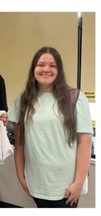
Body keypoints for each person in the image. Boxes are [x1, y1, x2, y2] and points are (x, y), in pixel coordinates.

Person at [10, 47, 92, 208]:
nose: (46, 69)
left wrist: (78, 184)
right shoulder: (23, 100)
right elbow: (19, 143)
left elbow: (85, 142)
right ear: (34, 68)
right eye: (41, 64)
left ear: (59, 70)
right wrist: (21, 176)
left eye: (52, 66)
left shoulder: (75, 97)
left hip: (67, 186)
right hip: (37, 182)